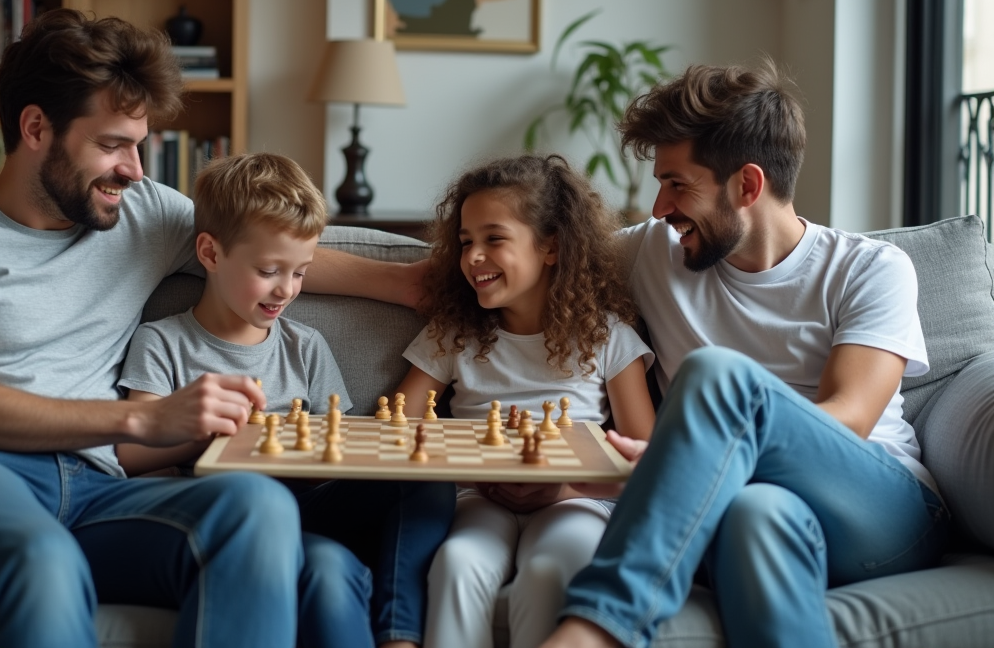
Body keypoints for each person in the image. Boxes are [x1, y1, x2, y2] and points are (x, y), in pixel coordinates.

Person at [0, 9, 424, 648]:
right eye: (113, 144)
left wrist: (405, 283)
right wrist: (141, 420)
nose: (136, 168)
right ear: (36, 127)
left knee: (256, 509)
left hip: (98, 491)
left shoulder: (140, 212)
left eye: (140, 143)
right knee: (43, 562)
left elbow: (261, 248)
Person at [539, 60, 948, 648]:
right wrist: (358, 267)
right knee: (755, 515)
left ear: (747, 186)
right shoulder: (655, 253)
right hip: (749, 508)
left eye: (678, 184)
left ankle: (599, 626)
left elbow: (851, 418)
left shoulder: (870, 269)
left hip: (884, 511)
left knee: (718, 376)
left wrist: (678, 460)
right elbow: (521, 272)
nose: (659, 208)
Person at [115, 152, 456, 648]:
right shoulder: (162, 343)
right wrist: (204, 435)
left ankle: (399, 636)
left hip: (312, 505)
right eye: (271, 270)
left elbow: (338, 450)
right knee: (327, 568)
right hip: (231, 518)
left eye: (300, 273)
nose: (287, 290)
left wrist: (315, 458)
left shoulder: (305, 346)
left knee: (425, 480)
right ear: (209, 254)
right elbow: (130, 456)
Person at [394, 154, 656, 648]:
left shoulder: (608, 337)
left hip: (576, 501)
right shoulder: (454, 333)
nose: (473, 256)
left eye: (494, 238)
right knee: (457, 562)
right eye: (466, 241)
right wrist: (473, 471)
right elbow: (398, 430)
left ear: (551, 246)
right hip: (478, 496)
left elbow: (647, 461)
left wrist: (561, 489)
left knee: (551, 569)